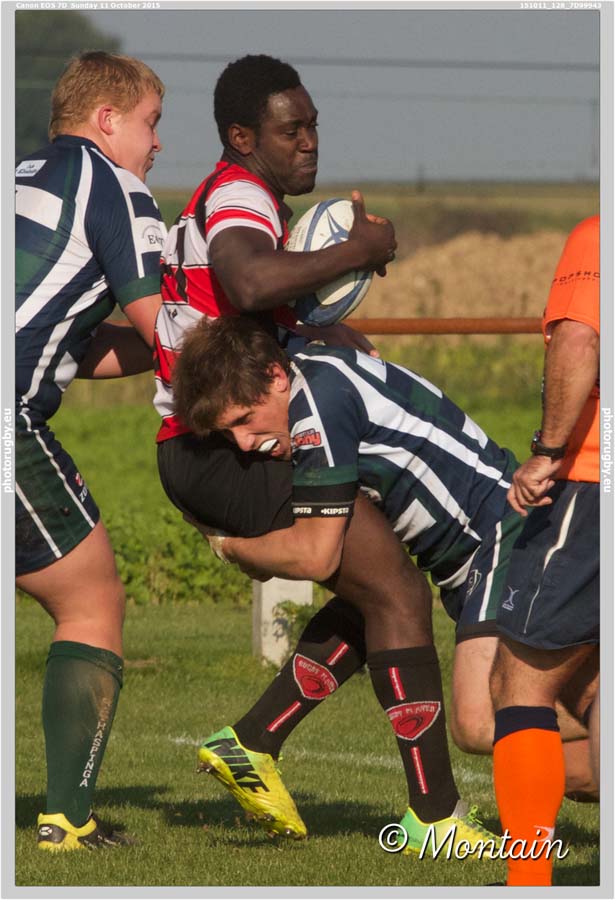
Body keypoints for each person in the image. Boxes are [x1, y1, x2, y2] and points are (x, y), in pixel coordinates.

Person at [153, 54, 498, 852]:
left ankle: (253, 742)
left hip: (206, 445)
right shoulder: (239, 195)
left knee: (376, 585)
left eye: (312, 126)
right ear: (243, 137)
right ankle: (434, 819)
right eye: (290, 130)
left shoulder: (231, 196)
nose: (308, 142)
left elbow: (240, 308)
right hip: (226, 445)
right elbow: (246, 283)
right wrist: (358, 250)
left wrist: (319, 329)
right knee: (397, 594)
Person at [170, 314, 526, 853]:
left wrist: (231, 546)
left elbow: (316, 556)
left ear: (275, 377)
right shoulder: (312, 379)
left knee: (483, 723)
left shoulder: (319, 403)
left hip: (506, 542)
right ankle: (259, 741)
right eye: (228, 433)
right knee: (376, 599)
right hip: (478, 555)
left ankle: (436, 815)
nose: (243, 443)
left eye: (245, 419)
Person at [16, 51, 166, 851]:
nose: (157, 144)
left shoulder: (22, 176)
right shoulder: (115, 186)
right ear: (107, 120)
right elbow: (161, 330)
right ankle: (68, 820)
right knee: (90, 602)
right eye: (150, 123)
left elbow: (68, 341)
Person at [490, 216, 600, 886]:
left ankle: (527, 881)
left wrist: (548, 451)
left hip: (593, 482)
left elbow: (580, 337)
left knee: (521, 682)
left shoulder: (598, 234)